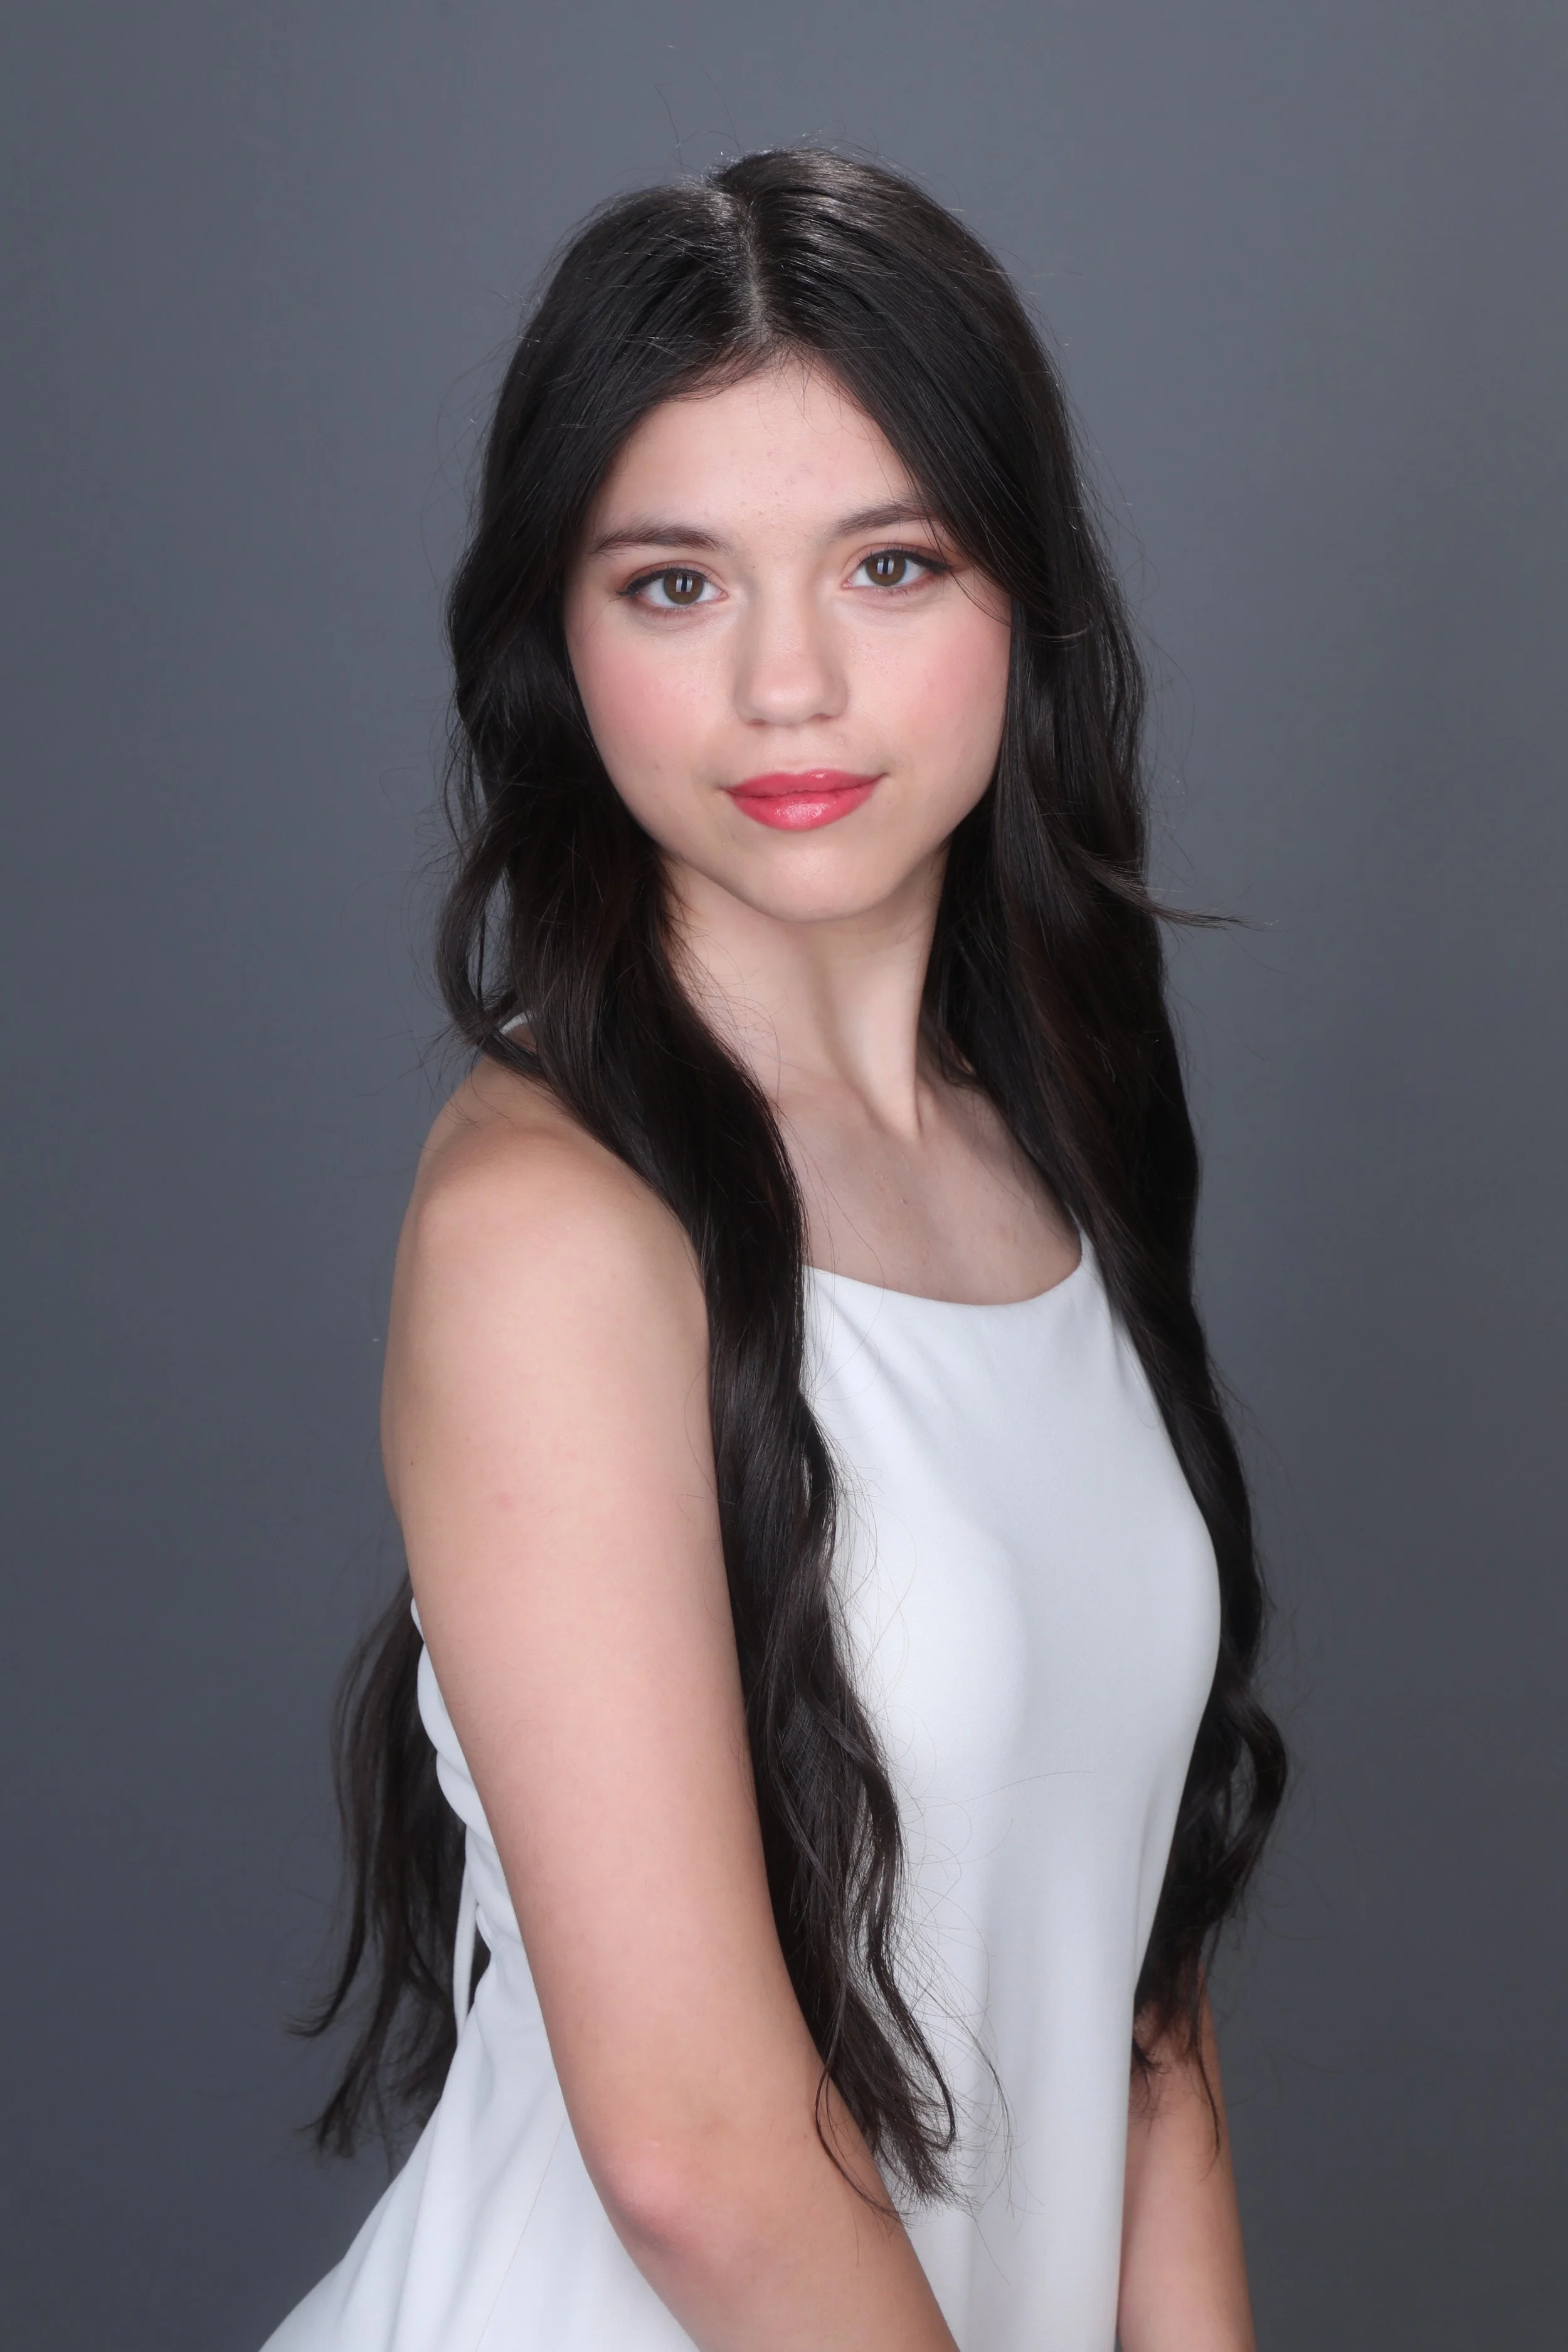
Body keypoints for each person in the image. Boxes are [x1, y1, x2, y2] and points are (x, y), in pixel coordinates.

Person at [262, 148, 1285, 2352]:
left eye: (889, 562)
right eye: (673, 584)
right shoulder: (551, 1222)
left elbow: (1143, 1992)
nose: (791, 687)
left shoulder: (1062, 1136)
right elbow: (701, 2159)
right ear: (559, 634)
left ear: (1027, 597)